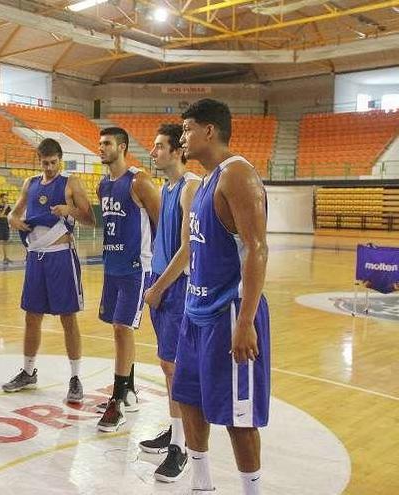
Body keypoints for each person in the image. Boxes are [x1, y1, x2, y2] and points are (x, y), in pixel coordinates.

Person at [173, 98, 270, 495]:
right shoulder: (205, 181)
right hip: (195, 311)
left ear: (208, 131)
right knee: (188, 398)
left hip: (228, 312)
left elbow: (257, 249)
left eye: (186, 129)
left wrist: (245, 321)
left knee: (238, 416)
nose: (182, 138)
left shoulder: (238, 175)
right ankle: (201, 484)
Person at [1, 138, 94, 403]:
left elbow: (89, 219)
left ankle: (75, 378)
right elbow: (13, 214)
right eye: (45, 163)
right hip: (36, 258)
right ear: (39, 160)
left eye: (54, 162)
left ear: (60, 160)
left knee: (68, 318)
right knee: (32, 317)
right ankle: (29, 371)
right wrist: (13, 221)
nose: (50, 167)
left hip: (61, 257)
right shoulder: (30, 183)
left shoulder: (70, 183)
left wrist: (70, 210)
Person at [139, 124, 201, 481]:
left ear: (177, 150)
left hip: (176, 287)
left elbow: (188, 248)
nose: (154, 152)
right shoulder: (167, 187)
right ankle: (176, 429)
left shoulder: (190, 187)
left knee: (176, 367)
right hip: (161, 283)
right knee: (167, 365)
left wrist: (159, 287)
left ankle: (183, 446)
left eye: (160, 146)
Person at [95, 126, 161, 433]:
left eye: (107, 143)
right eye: (100, 143)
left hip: (137, 267)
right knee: (119, 329)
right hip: (112, 266)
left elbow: (162, 223)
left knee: (123, 327)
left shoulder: (139, 181)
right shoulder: (102, 185)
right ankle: (130, 390)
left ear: (122, 147)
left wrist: (160, 267)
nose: (101, 148)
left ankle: (117, 401)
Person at [0, 193, 12, 264]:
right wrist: (4, 208)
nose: (6, 200)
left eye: (7, 198)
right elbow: (0, 215)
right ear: (1, 198)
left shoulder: (8, 207)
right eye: (5, 198)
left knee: (5, 241)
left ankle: (5, 257)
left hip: (6, 225)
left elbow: (9, 216)